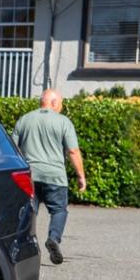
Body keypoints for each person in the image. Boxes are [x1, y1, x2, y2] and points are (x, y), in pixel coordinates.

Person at [13, 89, 86, 265]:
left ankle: (22, 247)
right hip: (55, 176)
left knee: (29, 212)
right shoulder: (63, 122)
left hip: (30, 175)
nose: (61, 107)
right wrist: (81, 176)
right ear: (53, 103)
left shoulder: (25, 119)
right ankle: (53, 238)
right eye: (60, 103)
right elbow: (73, 151)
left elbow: (14, 149)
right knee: (59, 210)